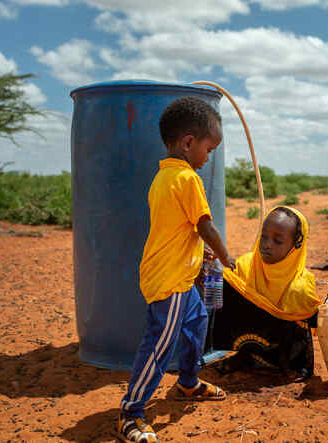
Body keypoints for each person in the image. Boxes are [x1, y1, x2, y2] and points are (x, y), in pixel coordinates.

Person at [118, 96, 235, 443]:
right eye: (209, 149)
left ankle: (187, 382)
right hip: (169, 283)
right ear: (188, 143)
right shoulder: (186, 179)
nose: (209, 157)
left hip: (181, 278)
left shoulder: (164, 177)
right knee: (159, 345)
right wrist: (225, 256)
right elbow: (205, 226)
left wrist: (201, 259)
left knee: (196, 327)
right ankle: (131, 413)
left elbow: (181, 231)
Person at [207, 206, 321, 378]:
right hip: (247, 340)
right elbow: (214, 298)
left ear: (296, 244)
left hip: (285, 353)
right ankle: (246, 355)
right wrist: (209, 271)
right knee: (228, 284)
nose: (267, 245)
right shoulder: (247, 265)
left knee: (298, 306)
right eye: (264, 237)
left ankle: (281, 363)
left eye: (278, 241)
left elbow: (316, 322)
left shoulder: (301, 285)